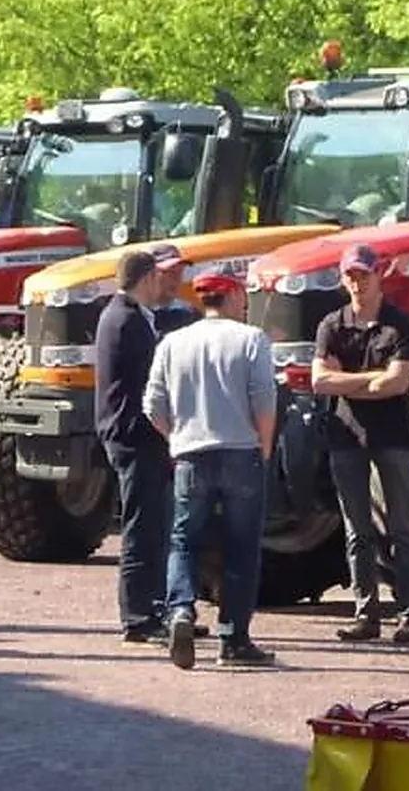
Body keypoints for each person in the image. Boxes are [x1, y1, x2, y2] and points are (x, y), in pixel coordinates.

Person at [146, 265, 279, 670]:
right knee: (241, 547)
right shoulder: (252, 339)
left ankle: (181, 610)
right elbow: (264, 399)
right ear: (234, 295)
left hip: (190, 453)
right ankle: (234, 638)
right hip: (241, 451)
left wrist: (176, 438)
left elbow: (153, 404)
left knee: (184, 540)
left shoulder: (173, 342)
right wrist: (265, 446)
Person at [311, 243, 409, 644]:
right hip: (345, 436)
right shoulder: (331, 325)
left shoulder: (399, 325)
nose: (357, 283)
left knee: (402, 528)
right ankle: (367, 615)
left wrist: (352, 381)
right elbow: (320, 380)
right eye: (350, 276)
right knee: (357, 531)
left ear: (380, 276)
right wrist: (370, 381)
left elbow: (397, 383)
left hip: (392, 436)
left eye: (363, 275)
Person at [93, 244, 185, 644]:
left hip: (128, 434)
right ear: (147, 278)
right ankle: (137, 615)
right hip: (135, 437)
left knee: (152, 525)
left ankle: (154, 606)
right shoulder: (128, 320)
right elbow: (150, 382)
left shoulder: (122, 316)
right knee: (141, 529)